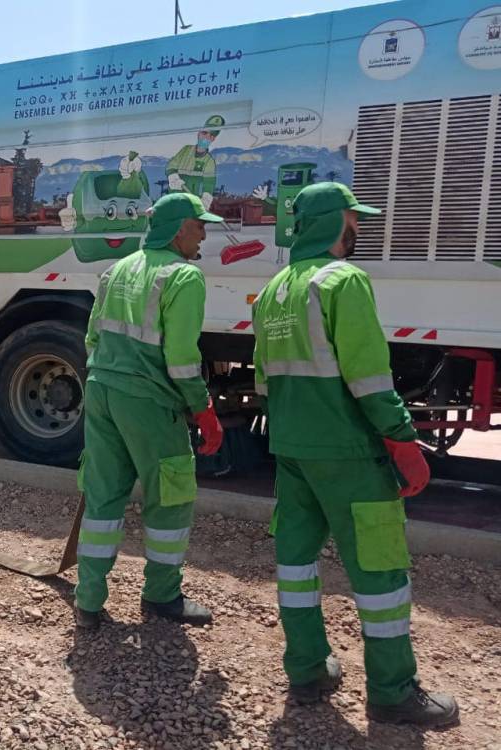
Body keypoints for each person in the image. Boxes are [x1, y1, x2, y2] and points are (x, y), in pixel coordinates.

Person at [251, 182, 458, 727]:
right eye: (353, 218)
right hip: (348, 452)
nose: (358, 228)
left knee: (296, 563)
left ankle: (308, 669)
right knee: (381, 571)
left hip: (292, 450)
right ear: (331, 223)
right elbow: (369, 375)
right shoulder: (343, 281)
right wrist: (401, 437)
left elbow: (264, 378)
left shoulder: (275, 288)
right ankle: (391, 691)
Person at [75, 192, 224, 630]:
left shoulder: (117, 269)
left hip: (101, 389)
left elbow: (92, 337)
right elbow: (180, 358)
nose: (204, 235)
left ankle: (88, 603)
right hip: (149, 402)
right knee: (170, 498)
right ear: (180, 229)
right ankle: (161, 596)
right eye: (200, 226)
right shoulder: (184, 277)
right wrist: (203, 409)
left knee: (103, 496)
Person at [166, 115, 225, 210]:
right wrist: (173, 176)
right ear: (199, 133)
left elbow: (208, 185)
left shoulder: (209, 162)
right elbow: (171, 165)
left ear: (213, 139)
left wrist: (205, 201)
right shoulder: (185, 150)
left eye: (211, 135)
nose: (206, 137)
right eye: (204, 133)